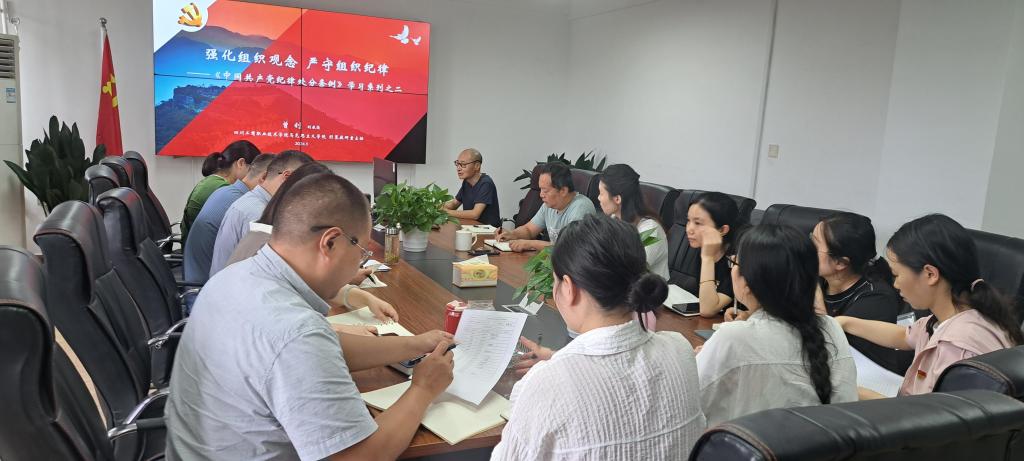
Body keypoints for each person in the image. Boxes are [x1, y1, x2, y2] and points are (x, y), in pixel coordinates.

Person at [165, 172, 456, 461]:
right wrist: (423, 389)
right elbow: (359, 457)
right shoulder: (295, 332)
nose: (360, 264)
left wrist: (414, 345)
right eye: (361, 252)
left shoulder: (236, 275)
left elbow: (329, 346)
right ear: (330, 242)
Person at [494, 215, 705, 459]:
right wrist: (557, 358)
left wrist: (558, 367)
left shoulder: (546, 384)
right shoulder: (680, 349)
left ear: (568, 288)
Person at [837, 214, 1022, 398]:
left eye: (897, 275)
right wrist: (845, 322)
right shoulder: (962, 313)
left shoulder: (956, 348)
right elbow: (904, 336)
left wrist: (853, 391)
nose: (896, 284)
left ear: (930, 274)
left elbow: (931, 415)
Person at [697, 224, 857, 425]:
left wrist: (710, 355)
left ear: (747, 282)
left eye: (735, 262)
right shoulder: (831, 327)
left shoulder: (734, 337)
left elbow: (686, 401)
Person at [226, 163, 390, 323]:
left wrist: (362, 297)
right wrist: (340, 331)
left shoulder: (271, 241)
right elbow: (283, 321)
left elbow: (302, 286)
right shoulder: (266, 246)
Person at [811, 212, 916, 375]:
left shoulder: (876, 299)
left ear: (840, 262)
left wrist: (812, 290)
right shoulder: (819, 278)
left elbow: (824, 347)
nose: (806, 248)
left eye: (815, 245)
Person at [209, 150, 313, 277]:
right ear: (287, 177)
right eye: (304, 187)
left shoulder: (252, 201)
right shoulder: (258, 214)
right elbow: (263, 275)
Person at [183, 153, 275, 285]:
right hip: (204, 283)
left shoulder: (226, 191)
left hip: (196, 273)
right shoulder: (247, 205)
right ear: (264, 177)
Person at [496, 162, 595, 252]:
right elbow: (529, 230)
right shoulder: (549, 205)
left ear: (563, 191)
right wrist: (512, 234)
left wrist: (529, 244)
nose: (541, 195)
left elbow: (568, 248)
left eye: (545, 191)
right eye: (540, 190)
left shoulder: (581, 208)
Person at [596, 164, 669, 279]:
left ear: (617, 199)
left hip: (650, 288)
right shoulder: (614, 219)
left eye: (601, 193)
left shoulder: (652, 231)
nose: (598, 198)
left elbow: (632, 269)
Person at [181, 140, 260, 243]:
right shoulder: (224, 190)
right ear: (241, 163)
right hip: (203, 248)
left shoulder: (212, 181)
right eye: (254, 170)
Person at [685, 192, 742, 317]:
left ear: (722, 230)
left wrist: (707, 259)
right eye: (688, 221)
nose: (689, 229)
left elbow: (708, 310)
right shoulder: (704, 248)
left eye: (698, 223)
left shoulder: (738, 259)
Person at [443, 148, 501, 227]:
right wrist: (435, 207)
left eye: (463, 164)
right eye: (457, 164)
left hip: (488, 231)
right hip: (471, 227)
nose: (458, 168)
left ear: (477, 166)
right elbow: (454, 204)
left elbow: (475, 214)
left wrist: (446, 212)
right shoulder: (466, 182)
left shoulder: (486, 183)